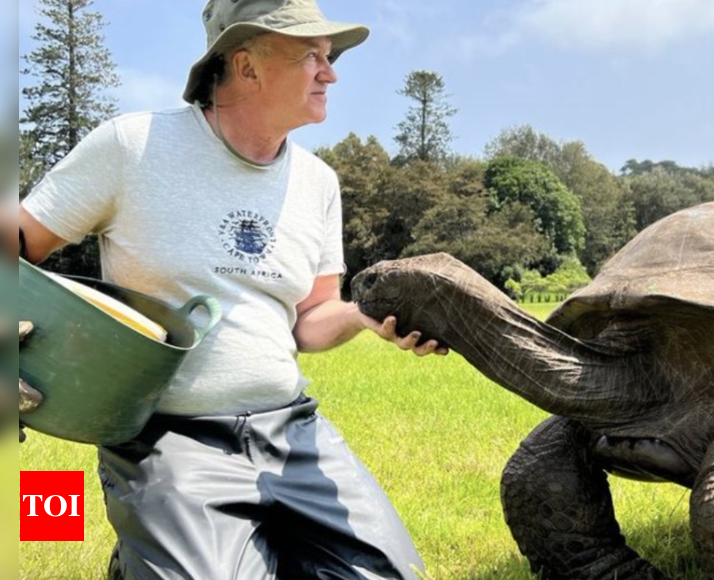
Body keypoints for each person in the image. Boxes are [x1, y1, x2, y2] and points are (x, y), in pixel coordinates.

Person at [17, 1, 444, 578]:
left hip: (293, 430)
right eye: (311, 55)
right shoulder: (131, 148)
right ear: (246, 66)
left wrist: (365, 317)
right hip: (169, 440)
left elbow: (310, 317)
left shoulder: (318, 183)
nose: (331, 72)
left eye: (330, 56)